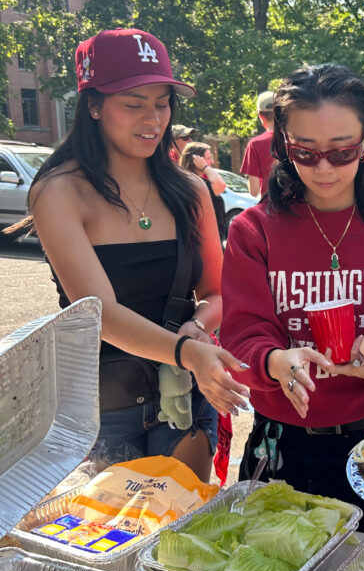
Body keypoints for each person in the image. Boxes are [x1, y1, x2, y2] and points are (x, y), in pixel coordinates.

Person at [221, 63, 364, 528]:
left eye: (341, 151)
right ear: (283, 146)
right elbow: (242, 332)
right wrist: (274, 362)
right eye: (305, 153)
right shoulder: (254, 230)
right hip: (280, 442)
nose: (324, 168)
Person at [18, 27, 250, 481]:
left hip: (184, 395)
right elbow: (99, 313)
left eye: (162, 103)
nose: (152, 119)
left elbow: (219, 292)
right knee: (111, 540)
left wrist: (199, 326)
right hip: (104, 408)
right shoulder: (61, 193)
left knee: (183, 530)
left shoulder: (190, 191)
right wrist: (187, 351)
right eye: (133, 104)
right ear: (94, 105)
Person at [181, 141, 227, 240]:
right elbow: (221, 185)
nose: (212, 162)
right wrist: (205, 167)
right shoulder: (197, 184)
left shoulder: (196, 182)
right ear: (197, 160)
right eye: (209, 158)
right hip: (207, 239)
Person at [240, 90, 275, 197]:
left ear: (260, 115)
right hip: (299, 209)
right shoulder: (298, 138)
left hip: (271, 208)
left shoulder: (255, 144)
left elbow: (254, 191)